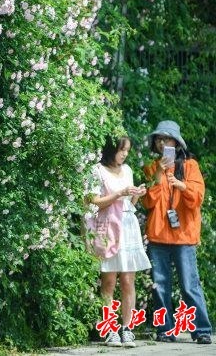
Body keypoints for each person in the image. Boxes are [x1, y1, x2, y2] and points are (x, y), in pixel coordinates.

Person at [142, 120, 212, 344]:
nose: (162, 143)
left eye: (167, 139)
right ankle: (165, 330)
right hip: (158, 235)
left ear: (177, 144)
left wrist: (182, 185)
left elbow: (197, 198)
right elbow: (148, 202)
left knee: (189, 285)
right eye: (159, 139)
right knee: (160, 285)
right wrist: (159, 173)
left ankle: (202, 330)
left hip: (184, 235)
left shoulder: (190, 166)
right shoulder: (151, 168)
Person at [87, 136, 151, 347]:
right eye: (121, 149)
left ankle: (127, 329)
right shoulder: (97, 170)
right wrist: (119, 194)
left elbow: (129, 203)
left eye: (127, 150)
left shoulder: (128, 170)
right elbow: (93, 201)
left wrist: (137, 194)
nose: (124, 154)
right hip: (108, 227)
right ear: (111, 148)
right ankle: (109, 329)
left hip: (128, 225)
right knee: (108, 281)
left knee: (128, 280)